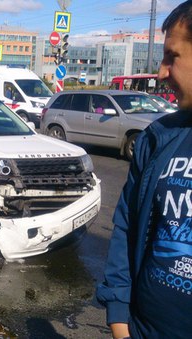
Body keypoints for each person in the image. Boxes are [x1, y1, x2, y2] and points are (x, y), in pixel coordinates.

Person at [96, 2, 192, 338]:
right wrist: (120, 322)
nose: (162, 72)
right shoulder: (159, 137)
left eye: (172, 56)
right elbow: (126, 226)